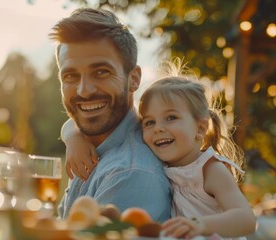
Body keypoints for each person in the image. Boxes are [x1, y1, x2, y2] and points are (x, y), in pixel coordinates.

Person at [64, 60, 256, 239]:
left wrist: (199, 225)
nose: (158, 128)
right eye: (149, 122)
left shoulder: (210, 169)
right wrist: (74, 137)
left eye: (171, 117)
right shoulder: (158, 160)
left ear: (200, 128)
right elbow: (111, 125)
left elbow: (246, 220)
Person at [49, 7, 171, 222]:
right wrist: (72, 135)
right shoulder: (90, 149)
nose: (84, 91)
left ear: (133, 79)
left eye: (101, 72)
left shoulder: (129, 173)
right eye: (70, 76)